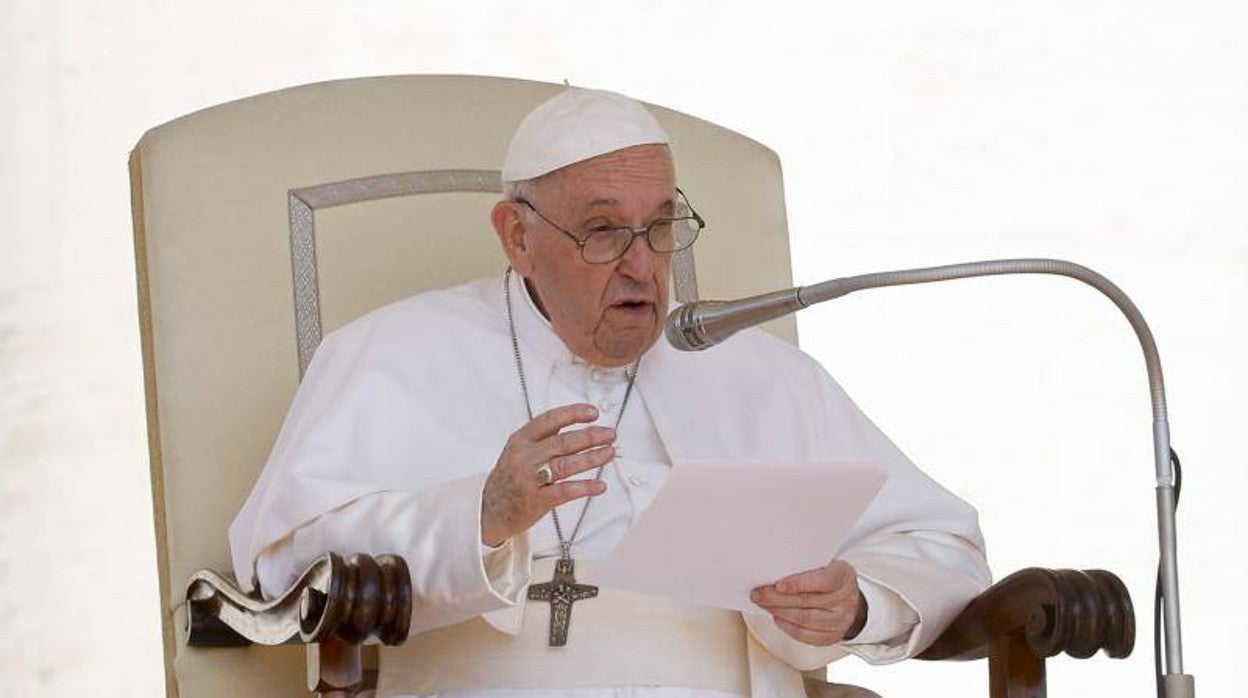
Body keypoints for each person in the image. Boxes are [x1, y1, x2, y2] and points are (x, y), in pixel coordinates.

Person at [230, 87, 991, 698]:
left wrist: (859, 602)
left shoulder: (764, 376)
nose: (642, 266)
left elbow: (940, 546)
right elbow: (283, 564)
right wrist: (480, 516)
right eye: (603, 231)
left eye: (661, 227)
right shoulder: (390, 353)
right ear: (517, 237)